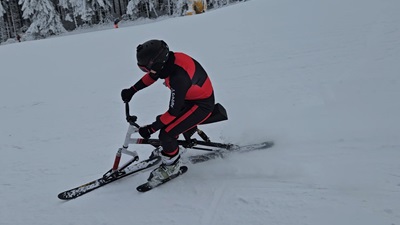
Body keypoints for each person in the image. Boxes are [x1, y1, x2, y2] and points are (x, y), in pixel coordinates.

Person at [121, 39, 215, 184]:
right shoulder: (168, 63)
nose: (147, 72)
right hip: (189, 99)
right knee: (164, 123)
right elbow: (152, 76)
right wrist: (132, 90)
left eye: (145, 68)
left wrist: (151, 128)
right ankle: (173, 149)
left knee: (166, 134)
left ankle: (172, 166)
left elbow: (173, 112)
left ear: (158, 63)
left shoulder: (179, 78)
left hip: (201, 105)